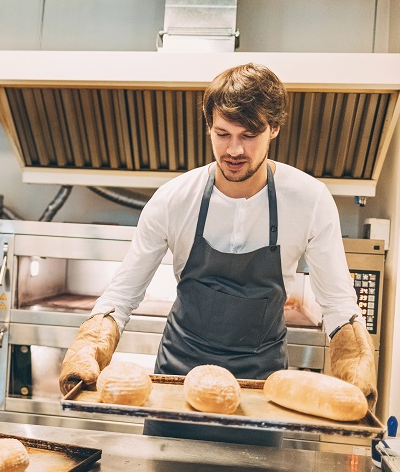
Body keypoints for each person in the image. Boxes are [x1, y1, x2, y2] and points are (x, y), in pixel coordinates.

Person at [58, 63, 377, 444]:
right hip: (177, 380)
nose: (234, 150)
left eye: (249, 135)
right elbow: (122, 295)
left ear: (274, 128)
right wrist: (88, 348)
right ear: (208, 126)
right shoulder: (174, 200)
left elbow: (339, 305)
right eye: (222, 134)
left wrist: (355, 368)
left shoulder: (309, 201)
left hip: (261, 387)